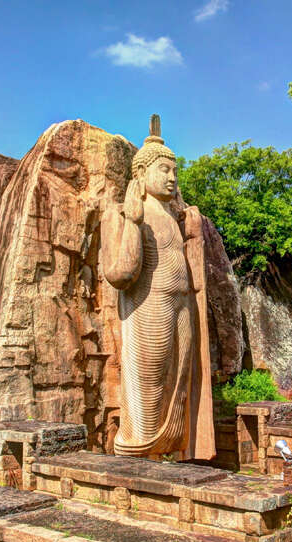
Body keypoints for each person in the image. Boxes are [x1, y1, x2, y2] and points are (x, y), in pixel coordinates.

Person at [101, 115, 215, 460]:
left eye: (174, 171)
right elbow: (121, 274)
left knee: (176, 387)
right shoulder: (125, 214)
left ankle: (166, 455)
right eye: (164, 169)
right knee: (149, 390)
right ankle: (136, 456)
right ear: (141, 174)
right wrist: (133, 224)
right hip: (151, 308)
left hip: (182, 307)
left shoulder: (175, 217)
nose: (172, 177)